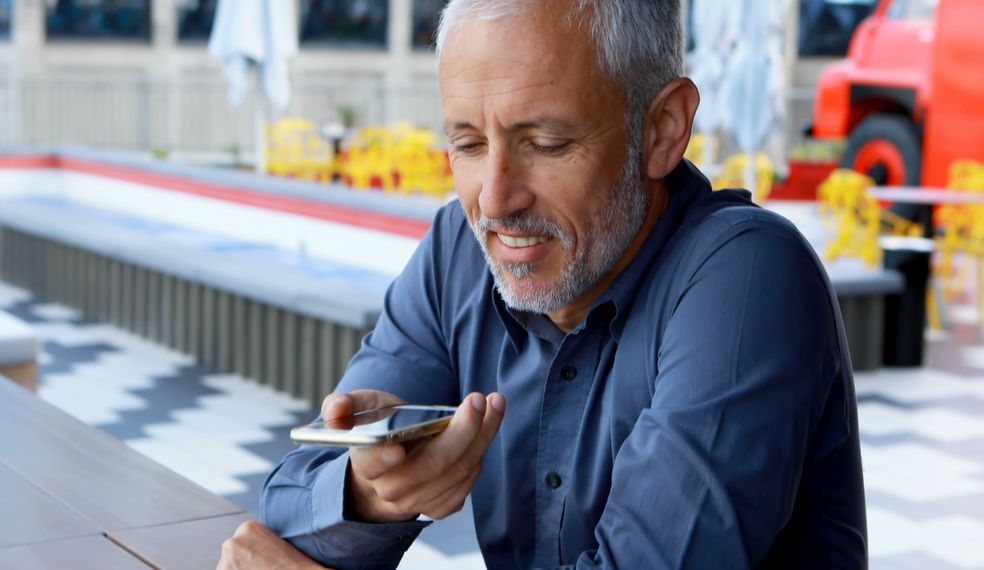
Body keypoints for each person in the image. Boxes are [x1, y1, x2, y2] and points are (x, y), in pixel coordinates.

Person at [218, 0, 867, 568]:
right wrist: (367, 491)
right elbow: (291, 504)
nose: (495, 200)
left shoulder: (749, 275)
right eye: (468, 144)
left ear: (663, 128)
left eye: (547, 142)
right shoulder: (458, 251)